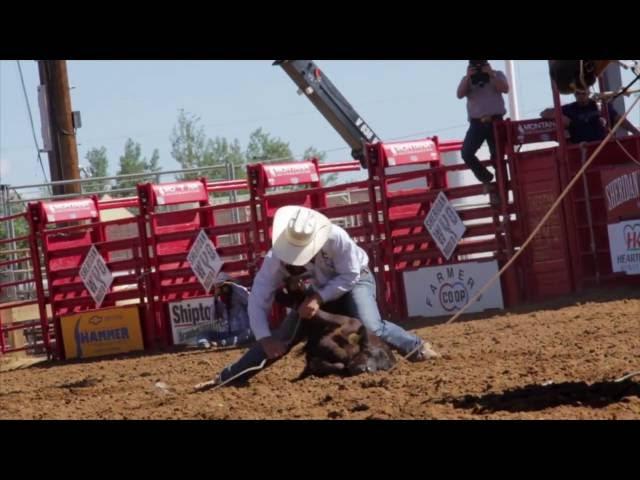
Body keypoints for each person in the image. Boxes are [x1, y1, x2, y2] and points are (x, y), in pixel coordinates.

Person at [209, 205, 440, 386]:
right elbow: (259, 298)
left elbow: (350, 275)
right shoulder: (274, 260)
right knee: (281, 340)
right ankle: (230, 376)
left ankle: (416, 347)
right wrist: (265, 338)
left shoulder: (337, 238)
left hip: (355, 280)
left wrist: (317, 298)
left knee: (370, 325)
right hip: (322, 288)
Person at [456, 60, 510, 185]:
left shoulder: (498, 74)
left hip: (496, 122)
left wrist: (491, 74)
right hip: (477, 123)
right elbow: (459, 94)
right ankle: (486, 178)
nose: (479, 67)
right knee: (466, 153)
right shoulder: (466, 79)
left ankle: (503, 187)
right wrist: (469, 77)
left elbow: (505, 89)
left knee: (498, 158)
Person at [540, 90, 640, 144]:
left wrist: (635, 132)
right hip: (582, 148)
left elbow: (619, 119)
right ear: (575, 95)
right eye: (578, 94)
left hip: (602, 146)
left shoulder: (600, 105)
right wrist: (559, 116)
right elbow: (544, 113)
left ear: (588, 93)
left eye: (583, 93)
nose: (581, 96)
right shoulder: (570, 108)